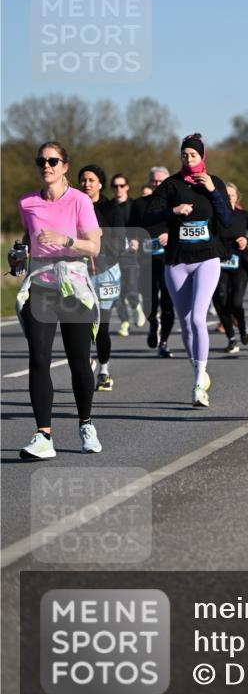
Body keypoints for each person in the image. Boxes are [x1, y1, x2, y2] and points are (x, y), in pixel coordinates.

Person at [12, 142, 102, 459]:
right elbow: (28, 239)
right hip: (41, 285)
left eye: (53, 160)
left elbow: (94, 247)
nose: (46, 165)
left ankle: (86, 424)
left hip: (73, 285)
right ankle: (43, 436)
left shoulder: (79, 201)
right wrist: (19, 255)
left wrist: (65, 240)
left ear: (64, 166)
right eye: (41, 161)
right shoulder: (27, 202)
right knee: (39, 357)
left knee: (78, 360)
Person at [146, 133, 232, 406]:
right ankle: (197, 371)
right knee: (184, 323)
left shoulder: (213, 182)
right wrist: (174, 211)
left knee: (197, 318)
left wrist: (212, 191)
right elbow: (148, 215)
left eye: (193, 154)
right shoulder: (171, 185)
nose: (188, 158)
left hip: (207, 257)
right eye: (184, 154)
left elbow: (227, 220)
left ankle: (199, 384)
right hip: (177, 260)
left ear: (202, 156)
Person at [78, 164, 125, 391]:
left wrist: (90, 211)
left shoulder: (110, 207)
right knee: (84, 323)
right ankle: (86, 363)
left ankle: (104, 370)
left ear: (99, 184)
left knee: (102, 326)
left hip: (106, 273)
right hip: (81, 273)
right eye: (83, 180)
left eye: (91, 180)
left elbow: (118, 242)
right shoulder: (74, 205)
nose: (86, 184)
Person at [128, 167, 175, 357]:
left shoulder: (175, 204)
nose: (157, 184)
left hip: (169, 260)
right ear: (149, 182)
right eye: (154, 181)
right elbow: (131, 228)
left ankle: (164, 341)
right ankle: (153, 323)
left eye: (161, 181)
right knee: (149, 301)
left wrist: (169, 234)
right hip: (146, 261)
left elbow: (182, 226)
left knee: (168, 303)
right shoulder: (140, 204)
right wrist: (135, 240)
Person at [212, 182, 248, 354]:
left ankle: (242, 327)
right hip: (219, 263)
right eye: (225, 195)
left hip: (239, 264)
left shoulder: (243, 215)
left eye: (231, 195)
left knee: (236, 303)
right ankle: (231, 339)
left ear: (236, 197)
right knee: (221, 299)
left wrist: (246, 240)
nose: (228, 198)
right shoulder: (214, 216)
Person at [110, 173, 146, 337]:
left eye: (121, 185)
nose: (119, 189)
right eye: (115, 186)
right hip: (112, 255)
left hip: (131, 255)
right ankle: (124, 322)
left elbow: (142, 226)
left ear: (127, 187)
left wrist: (137, 240)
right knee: (117, 293)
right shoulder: (108, 207)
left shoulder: (135, 205)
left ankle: (137, 307)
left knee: (131, 288)